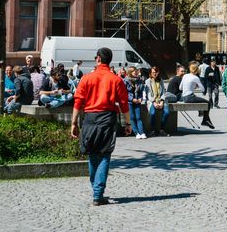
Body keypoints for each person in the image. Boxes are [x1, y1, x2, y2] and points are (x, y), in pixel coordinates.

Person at [71, 47, 132, 206]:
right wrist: (128, 123)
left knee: (93, 153)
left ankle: (96, 190)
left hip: (90, 118)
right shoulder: (116, 80)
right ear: (109, 60)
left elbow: (78, 101)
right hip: (107, 119)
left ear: (98, 59)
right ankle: (98, 193)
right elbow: (124, 104)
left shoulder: (86, 78)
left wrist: (73, 123)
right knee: (104, 154)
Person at [182, 61, 214, 129]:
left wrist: (192, 87)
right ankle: (205, 120)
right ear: (196, 70)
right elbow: (203, 89)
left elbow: (180, 87)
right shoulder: (195, 78)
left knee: (198, 99)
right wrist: (196, 86)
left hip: (184, 97)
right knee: (208, 103)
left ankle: (202, 114)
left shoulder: (185, 75)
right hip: (190, 97)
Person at [143, 67, 169, 137]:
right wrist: (154, 102)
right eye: (153, 72)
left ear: (158, 72)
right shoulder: (148, 81)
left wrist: (162, 101)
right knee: (152, 113)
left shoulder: (161, 80)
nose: (155, 74)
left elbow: (163, 91)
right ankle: (153, 130)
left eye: (156, 72)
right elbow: (148, 94)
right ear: (150, 73)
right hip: (152, 101)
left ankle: (161, 129)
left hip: (161, 100)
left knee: (166, 113)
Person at [124, 67, 146, 139]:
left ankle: (142, 132)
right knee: (132, 117)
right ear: (130, 72)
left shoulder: (139, 80)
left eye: (136, 71)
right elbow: (124, 93)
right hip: (129, 101)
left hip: (137, 101)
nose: (136, 72)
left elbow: (141, 91)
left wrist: (140, 98)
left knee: (138, 117)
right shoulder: (126, 81)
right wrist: (132, 99)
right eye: (134, 71)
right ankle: (136, 133)